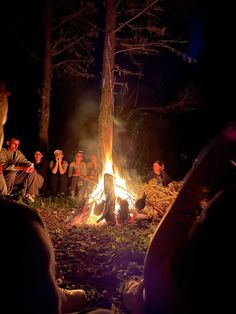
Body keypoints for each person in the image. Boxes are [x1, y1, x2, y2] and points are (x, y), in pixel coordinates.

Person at [0, 81, 112, 314]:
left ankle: (30, 195)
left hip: (26, 178)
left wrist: (28, 165)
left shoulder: (18, 152)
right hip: (14, 181)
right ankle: (48, 291)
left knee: (35, 177)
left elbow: (26, 162)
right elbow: (57, 172)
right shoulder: (22, 223)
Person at [123, 122, 236, 314]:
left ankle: (137, 292)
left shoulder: (170, 293)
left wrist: (204, 166)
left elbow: (157, 260)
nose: (155, 168)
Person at [0, 134, 44, 202]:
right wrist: (21, 168)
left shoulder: (18, 153)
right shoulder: (2, 152)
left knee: (33, 171)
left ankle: (30, 195)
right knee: (12, 173)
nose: (16, 146)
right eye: (14, 144)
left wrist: (30, 166)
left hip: (15, 178)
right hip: (4, 178)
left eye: (17, 144)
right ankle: (6, 195)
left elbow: (24, 161)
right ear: (8, 143)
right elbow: (4, 166)